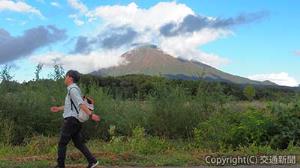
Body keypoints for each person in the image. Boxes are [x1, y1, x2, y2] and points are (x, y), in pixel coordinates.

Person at [50, 70, 100, 168]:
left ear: (70, 78)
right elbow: (71, 106)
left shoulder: (72, 89)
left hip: (71, 121)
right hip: (75, 121)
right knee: (78, 143)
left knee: (62, 143)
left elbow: (80, 104)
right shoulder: (73, 89)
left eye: (66, 76)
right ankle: (92, 161)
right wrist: (58, 108)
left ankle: (60, 166)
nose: (65, 79)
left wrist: (91, 115)